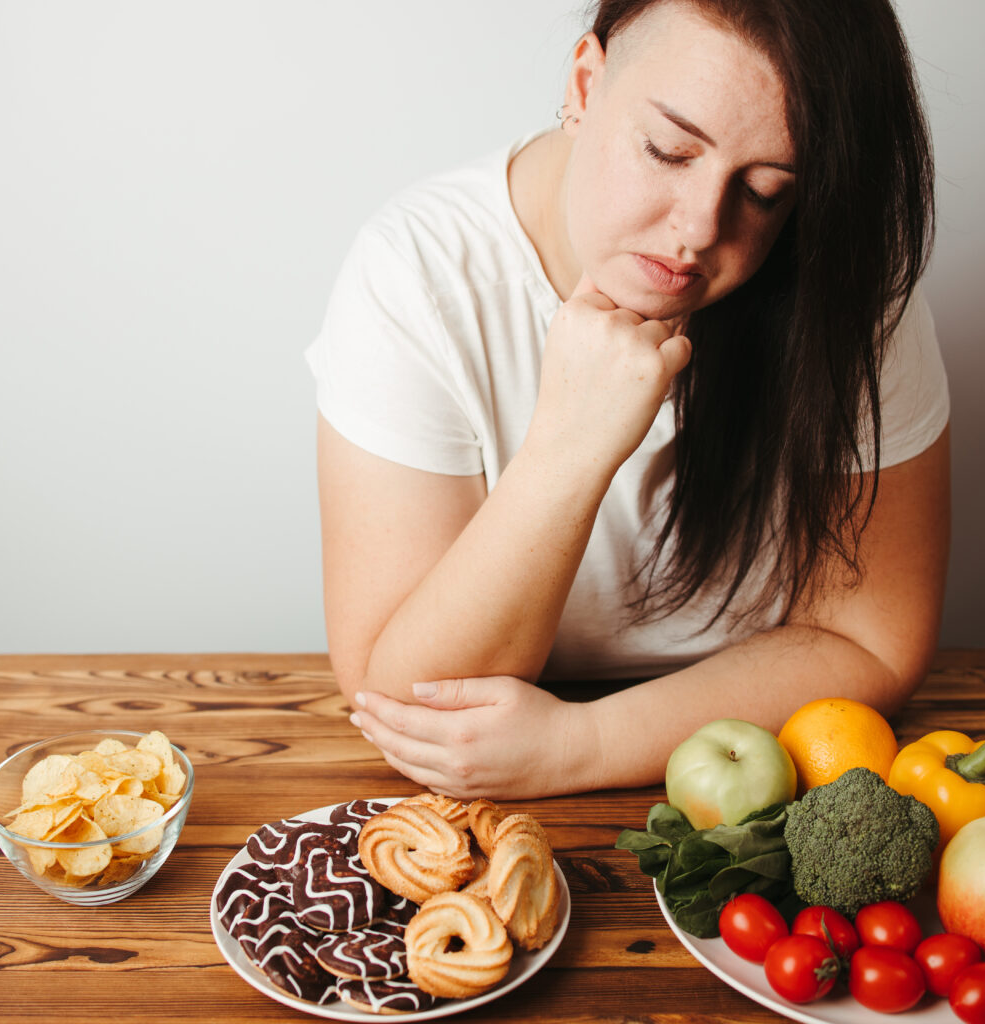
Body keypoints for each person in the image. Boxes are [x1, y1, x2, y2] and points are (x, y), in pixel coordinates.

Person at [305, 0, 950, 799]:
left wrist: (583, 744)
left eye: (764, 191)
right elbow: (406, 705)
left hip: (752, 776)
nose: (697, 230)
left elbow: (872, 639)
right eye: (668, 151)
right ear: (584, 84)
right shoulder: (416, 274)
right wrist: (567, 451)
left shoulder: (851, 286)